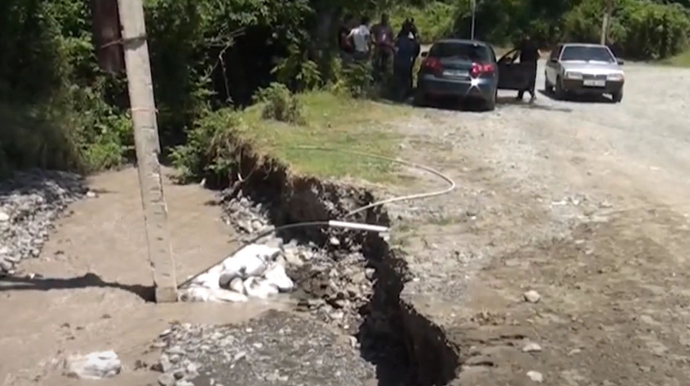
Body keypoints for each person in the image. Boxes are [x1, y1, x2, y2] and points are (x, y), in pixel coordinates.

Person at [393, 24, 420, 101]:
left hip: (398, 62)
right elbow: (416, 51)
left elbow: (395, 50)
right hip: (408, 63)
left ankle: (398, 95)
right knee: (406, 80)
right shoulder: (413, 42)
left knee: (399, 80)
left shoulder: (399, 40)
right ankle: (404, 96)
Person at [516, 33, 541, 103]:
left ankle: (520, 95)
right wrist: (535, 60)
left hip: (523, 64)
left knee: (522, 79)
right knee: (531, 80)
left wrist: (512, 61)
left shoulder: (522, 44)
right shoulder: (534, 44)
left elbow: (517, 53)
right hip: (532, 65)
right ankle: (532, 94)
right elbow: (539, 54)